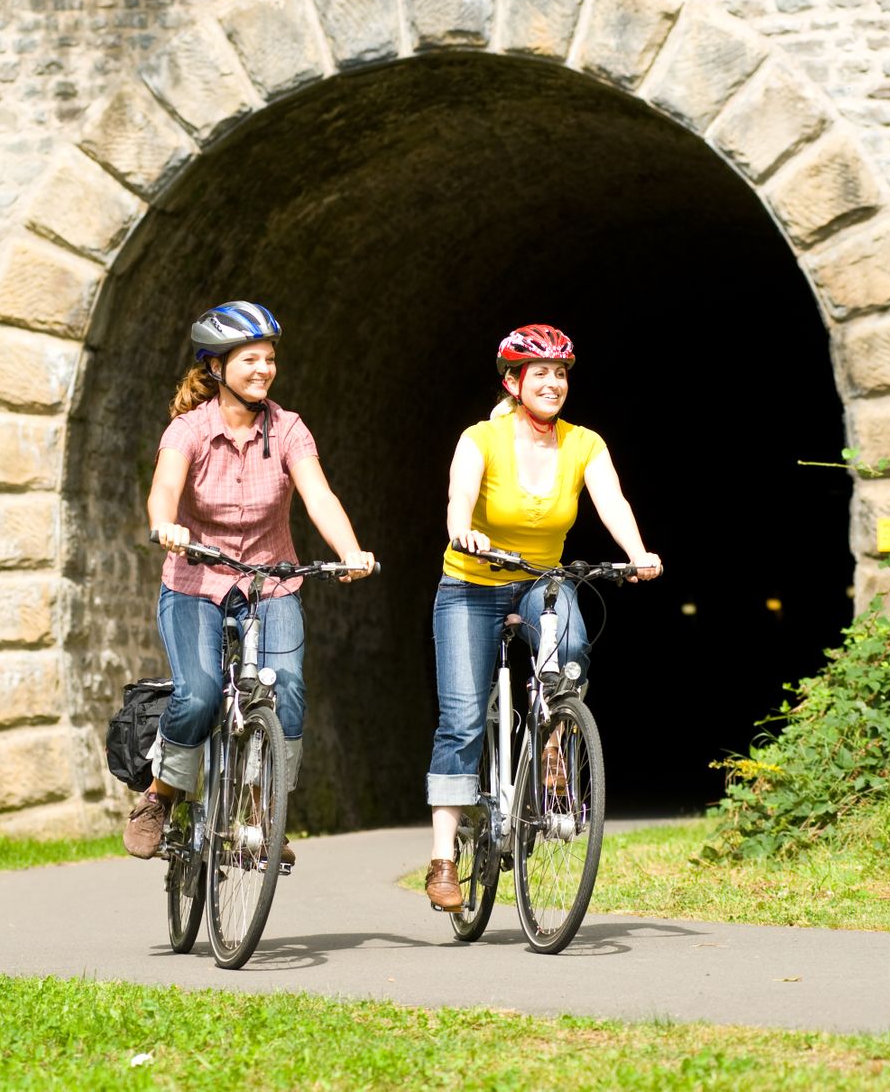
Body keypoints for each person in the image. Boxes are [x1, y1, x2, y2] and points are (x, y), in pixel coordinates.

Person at [124, 301, 376, 864]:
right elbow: (165, 487)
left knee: (287, 686)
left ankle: (266, 810)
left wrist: (349, 549)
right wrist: (165, 524)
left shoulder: (288, 429)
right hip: (195, 581)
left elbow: (318, 495)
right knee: (199, 694)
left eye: (269, 359)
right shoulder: (189, 429)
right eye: (250, 360)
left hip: (271, 583)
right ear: (217, 367)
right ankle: (161, 795)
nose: (264, 369)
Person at [423, 324, 662, 912]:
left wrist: (637, 553)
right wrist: (463, 530)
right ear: (514, 382)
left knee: (573, 648)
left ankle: (554, 740)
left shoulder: (584, 443)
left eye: (560, 373)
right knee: (462, 720)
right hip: (472, 584)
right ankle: (444, 859)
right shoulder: (480, 438)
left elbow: (612, 500)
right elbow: (459, 497)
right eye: (541, 373)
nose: (553, 383)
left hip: (539, 580)